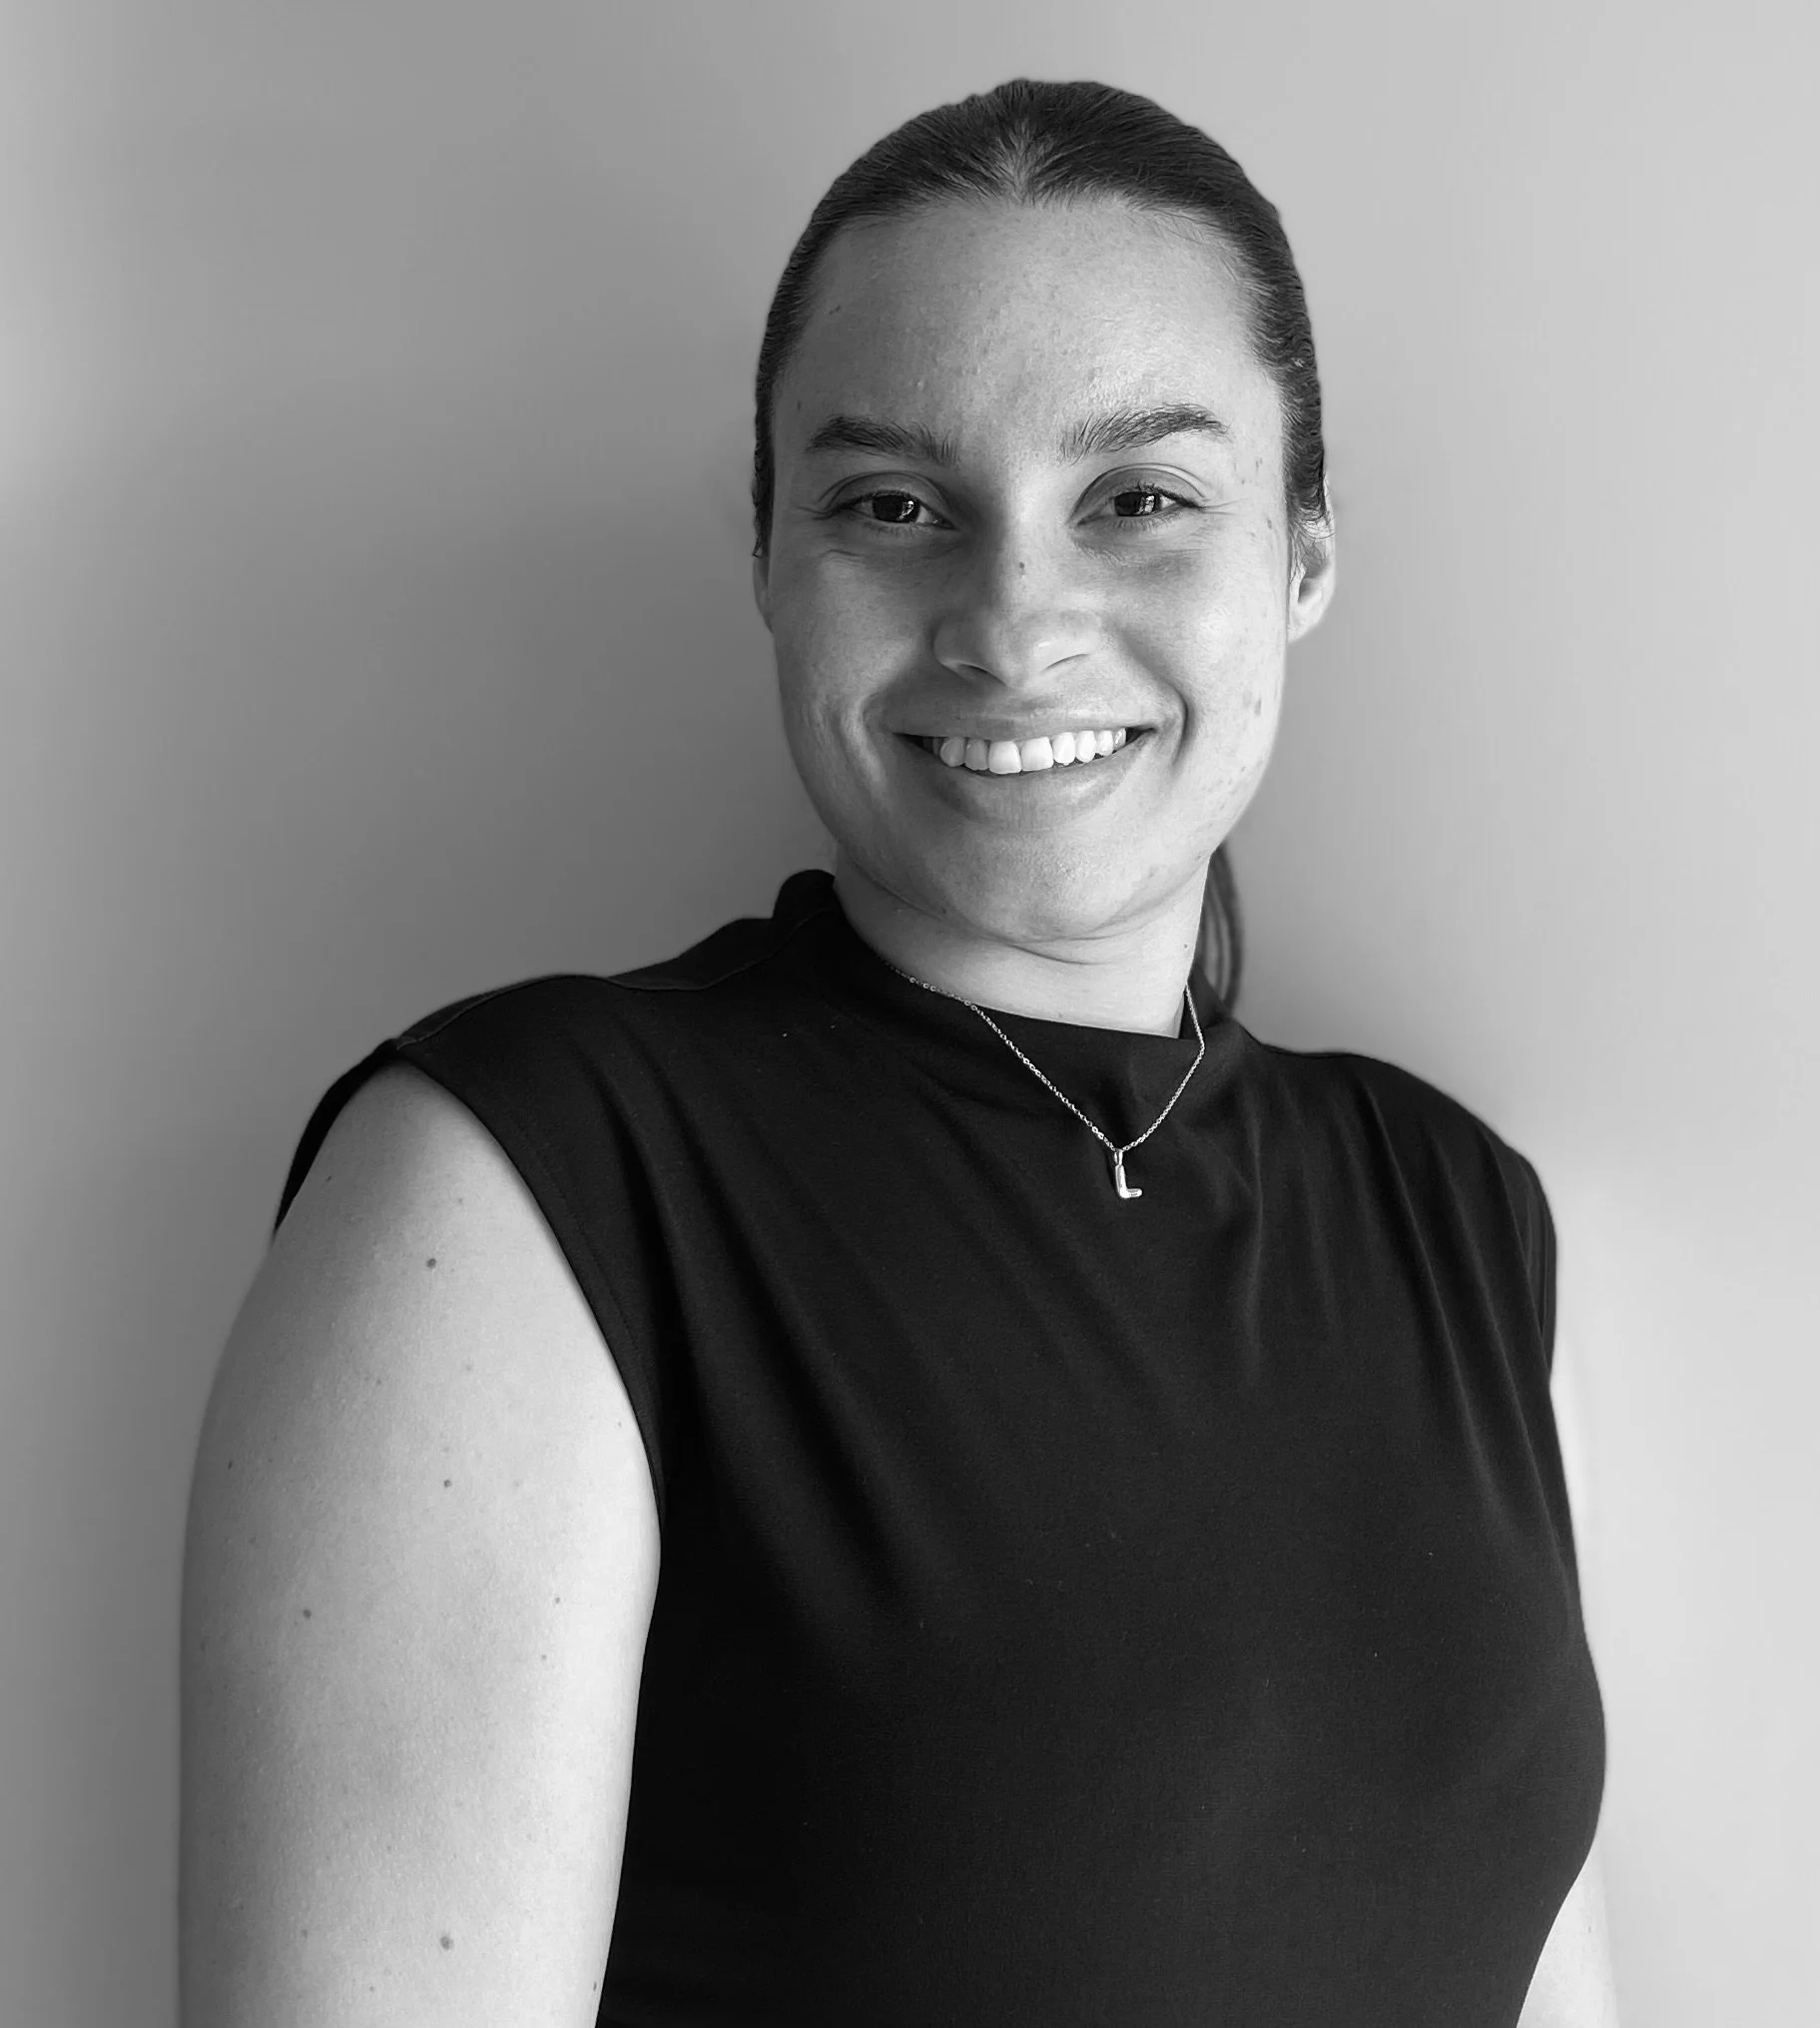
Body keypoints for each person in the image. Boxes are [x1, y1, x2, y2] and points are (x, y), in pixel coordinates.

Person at [179, 78, 1616, 2027]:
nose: (1013, 625)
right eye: (890, 506)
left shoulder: (1461, 1220)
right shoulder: (524, 1186)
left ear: (1298, 553)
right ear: (771, 559)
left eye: (1136, 500)